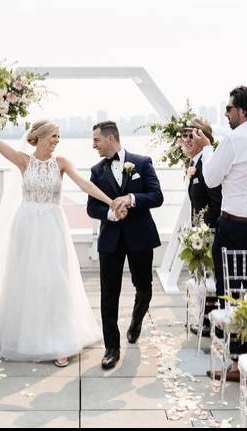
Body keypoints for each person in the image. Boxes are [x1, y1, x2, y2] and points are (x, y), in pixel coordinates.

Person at [0, 93, 104, 367]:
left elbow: (85, 185)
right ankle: (28, 339)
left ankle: (61, 342)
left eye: (58, 137)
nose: (57, 140)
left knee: (55, 281)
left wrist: (110, 201)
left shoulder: (61, 163)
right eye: (54, 136)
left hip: (53, 227)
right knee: (29, 280)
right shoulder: (24, 161)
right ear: (40, 136)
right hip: (26, 226)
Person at [193, 85, 247, 381]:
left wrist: (207, 149)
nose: (226, 113)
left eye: (229, 108)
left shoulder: (233, 137)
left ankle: (235, 362)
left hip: (233, 226)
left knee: (229, 294)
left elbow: (210, 178)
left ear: (242, 110)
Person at [88, 120, 165, 370]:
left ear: (111, 138)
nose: (93, 145)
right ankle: (112, 347)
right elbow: (92, 207)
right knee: (109, 293)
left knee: (144, 285)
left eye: (97, 140)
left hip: (140, 236)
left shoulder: (142, 163)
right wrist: (111, 213)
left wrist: (130, 199)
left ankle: (136, 320)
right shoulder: (96, 171)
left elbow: (156, 196)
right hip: (110, 240)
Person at [179, 117, 221, 337]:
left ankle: (209, 322)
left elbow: (216, 200)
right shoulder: (196, 162)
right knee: (203, 278)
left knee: (209, 279)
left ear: (203, 136)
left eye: (191, 135)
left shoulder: (206, 163)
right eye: (183, 135)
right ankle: (206, 320)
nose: (185, 139)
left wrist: (207, 230)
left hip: (210, 233)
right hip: (200, 232)